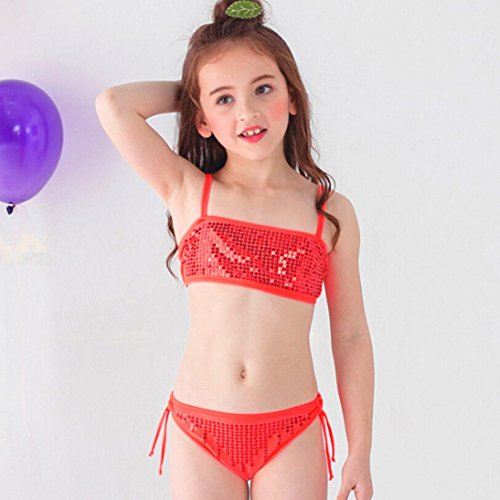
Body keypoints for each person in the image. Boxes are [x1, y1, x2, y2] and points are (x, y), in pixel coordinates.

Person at [95, 1, 374, 498]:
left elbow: (350, 336)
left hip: (292, 431)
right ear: (201, 118)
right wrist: (196, 91)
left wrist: (360, 450)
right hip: (199, 429)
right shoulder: (188, 190)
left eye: (263, 89)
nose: (247, 111)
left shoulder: (329, 213)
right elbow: (114, 104)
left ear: (293, 96)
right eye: (224, 100)